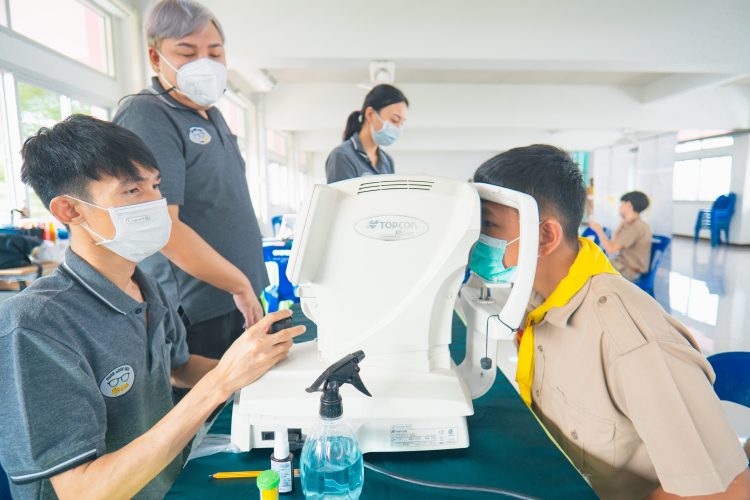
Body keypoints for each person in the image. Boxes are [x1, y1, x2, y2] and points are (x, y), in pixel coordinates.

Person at [0, 115, 304, 499]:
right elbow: (83, 491)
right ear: (70, 211)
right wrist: (221, 382)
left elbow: (177, 369)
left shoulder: (146, 286)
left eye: (155, 185)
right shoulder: (35, 326)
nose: (155, 203)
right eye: (131, 190)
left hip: (171, 479)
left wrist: (261, 367)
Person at [471, 145, 749, 499]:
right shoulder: (537, 301)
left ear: (545, 236)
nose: (475, 236)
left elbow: (729, 491)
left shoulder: (631, 341)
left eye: (488, 225)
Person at [113, 0, 268, 361]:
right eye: (187, 53)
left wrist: (245, 284)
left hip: (236, 295)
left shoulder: (211, 115)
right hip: (199, 306)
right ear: (156, 58)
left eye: (214, 53)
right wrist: (237, 284)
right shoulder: (148, 114)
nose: (205, 64)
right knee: (210, 393)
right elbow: (162, 225)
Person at [325, 84, 409, 183]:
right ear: (370, 114)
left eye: (402, 123)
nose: (398, 128)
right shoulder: (342, 156)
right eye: (394, 120)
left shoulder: (387, 161)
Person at [589, 191, 652, 281]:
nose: (619, 207)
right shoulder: (632, 224)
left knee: (587, 270)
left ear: (628, 205)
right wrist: (622, 223)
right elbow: (613, 242)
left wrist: (599, 230)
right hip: (620, 265)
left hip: (627, 271)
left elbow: (610, 249)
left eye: (622, 203)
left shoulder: (636, 226)